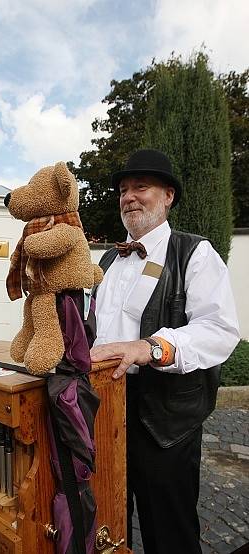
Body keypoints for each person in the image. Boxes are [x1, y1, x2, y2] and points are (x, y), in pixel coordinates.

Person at [90, 149, 240, 554]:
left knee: (169, 532)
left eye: (141, 187)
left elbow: (220, 330)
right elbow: (95, 331)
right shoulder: (106, 260)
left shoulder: (195, 252)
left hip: (165, 419)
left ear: (168, 195)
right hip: (105, 409)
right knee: (108, 520)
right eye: (123, 189)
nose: (129, 197)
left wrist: (150, 347)